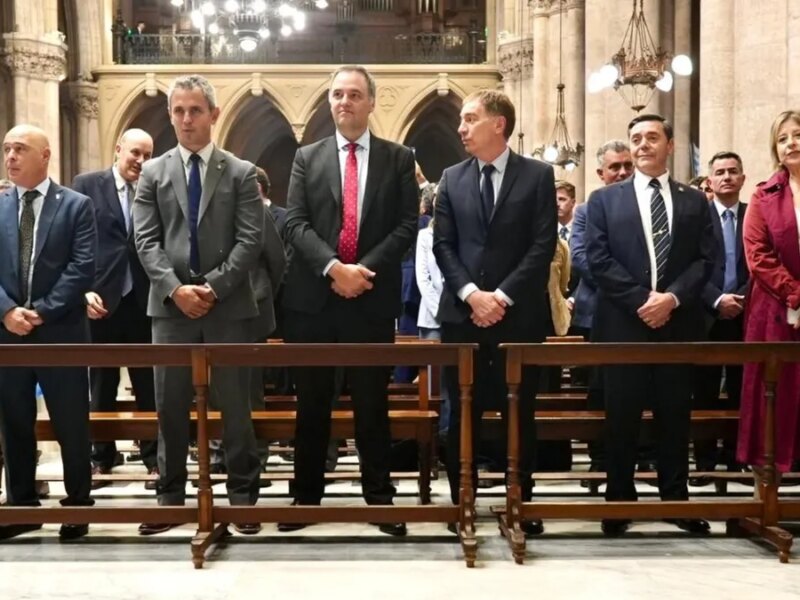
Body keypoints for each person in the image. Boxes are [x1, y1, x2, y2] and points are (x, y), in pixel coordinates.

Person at [278, 65, 418, 536]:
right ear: (329, 102)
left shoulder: (398, 158)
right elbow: (295, 223)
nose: (345, 102)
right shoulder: (307, 157)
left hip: (370, 299)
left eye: (354, 94)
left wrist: (362, 272)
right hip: (313, 301)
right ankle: (305, 498)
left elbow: (406, 225)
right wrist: (334, 268)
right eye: (337, 94)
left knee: (372, 404)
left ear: (371, 102)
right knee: (311, 405)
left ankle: (380, 499)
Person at [133, 74, 264, 536]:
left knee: (235, 406)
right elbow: (145, 241)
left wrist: (212, 287)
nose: (186, 119)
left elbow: (250, 241)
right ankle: (170, 497)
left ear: (213, 114)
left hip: (227, 309)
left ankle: (243, 498)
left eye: (195, 110)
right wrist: (176, 290)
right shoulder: (153, 173)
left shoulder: (241, 172)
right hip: (170, 311)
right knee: (169, 407)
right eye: (178, 111)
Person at [434, 89, 556, 536]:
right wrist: (472, 295)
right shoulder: (451, 178)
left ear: (498, 124)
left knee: (518, 411)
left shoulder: (537, 176)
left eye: (470, 119)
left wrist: (500, 297)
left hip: (518, 316)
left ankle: (519, 497)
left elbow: (542, 246)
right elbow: (443, 244)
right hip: (462, 317)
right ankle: (461, 498)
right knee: (460, 411)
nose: (461, 128)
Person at [586, 113, 715, 537]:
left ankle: (675, 498)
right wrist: (643, 301)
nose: (643, 144)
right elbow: (599, 259)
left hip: (677, 324)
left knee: (674, 416)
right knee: (621, 417)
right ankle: (619, 500)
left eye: (652, 137)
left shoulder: (694, 201)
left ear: (669, 145)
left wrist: (671, 298)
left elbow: (706, 259)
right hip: (623, 325)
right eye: (636, 138)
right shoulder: (604, 200)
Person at [0, 124, 97, 540]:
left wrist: (40, 311)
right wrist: (7, 312)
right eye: (7, 149)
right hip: (8, 335)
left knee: (70, 422)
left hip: (61, 332)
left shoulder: (75, 205)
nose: (10, 157)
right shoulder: (0, 206)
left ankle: (78, 504)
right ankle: (21, 505)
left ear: (44, 156)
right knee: (13, 422)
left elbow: (82, 266)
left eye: (20, 149)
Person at [71, 128, 158, 490]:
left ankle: (154, 460)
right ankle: (100, 457)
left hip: (143, 298)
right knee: (101, 382)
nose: (141, 161)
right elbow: (74, 241)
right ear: (118, 148)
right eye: (135, 152)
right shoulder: (87, 184)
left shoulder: (154, 188)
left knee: (148, 383)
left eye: (148, 155)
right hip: (101, 298)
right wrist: (82, 290)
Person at [739, 110, 800, 481]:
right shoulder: (764, 196)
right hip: (776, 308)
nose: (792, 143)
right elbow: (758, 256)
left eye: (798, 134)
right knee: (775, 392)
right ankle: (769, 480)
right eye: (783, 138)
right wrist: (796, 293)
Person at [570, 141, 634, 483]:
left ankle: (641, 455)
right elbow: (582, 258)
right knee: (599, 389)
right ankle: (599, 458)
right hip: (597, 312)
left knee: (641, 387)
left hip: (638, 312)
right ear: (601, 173)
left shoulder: (644, 204)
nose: (622, 172)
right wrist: (627, 288)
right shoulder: (585, 210)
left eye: (627, 165)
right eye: (614, 167)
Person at [691, 151, 750, 485]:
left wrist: (740, 297)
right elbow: (690, 264)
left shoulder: (754, 215)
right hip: (705, 315)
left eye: (732, 171)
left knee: (743, 390)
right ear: (710, 181)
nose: (726, 177)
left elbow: (761, 261)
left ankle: (735, 457)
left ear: (742, 178)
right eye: (720, 172)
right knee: (704, 390)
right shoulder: (697, 218)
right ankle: (704, 462)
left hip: (745, 313)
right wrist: (716, 298)